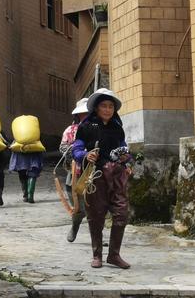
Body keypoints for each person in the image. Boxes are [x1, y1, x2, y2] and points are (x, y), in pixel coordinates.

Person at [72, 88, 131, 269]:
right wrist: (85, 155)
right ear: (96, 108)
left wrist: (126, 158)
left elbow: (125, 149)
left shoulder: (117, 128)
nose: (107, 109)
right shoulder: (86, 128)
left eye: (111, 106)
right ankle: (97, 255)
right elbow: (76, 149)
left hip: (116, 177)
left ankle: (114, 255)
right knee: (96, 217)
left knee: (121, 214)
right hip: (95, 178)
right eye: (104, 106)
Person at [59, 98, 88, 242]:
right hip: (75, 173)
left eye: (87, 112)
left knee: (97, 208)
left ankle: (98, 237)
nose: (85, 115)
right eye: (82, 113)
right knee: (78, 207)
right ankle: (74, 227)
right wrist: (75, 150)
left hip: (95, 173)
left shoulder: (98, 127)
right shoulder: (70, 131)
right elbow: (62, 147)